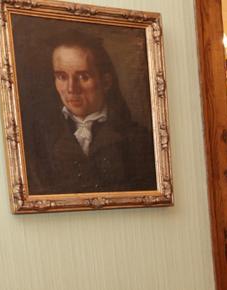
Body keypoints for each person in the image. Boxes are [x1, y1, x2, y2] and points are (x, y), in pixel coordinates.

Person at [24, 31, 157, 195]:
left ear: (106, 82)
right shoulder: (38, 138)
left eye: (83, 76)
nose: (71, 89)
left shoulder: (138, 139)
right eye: (62, 77)